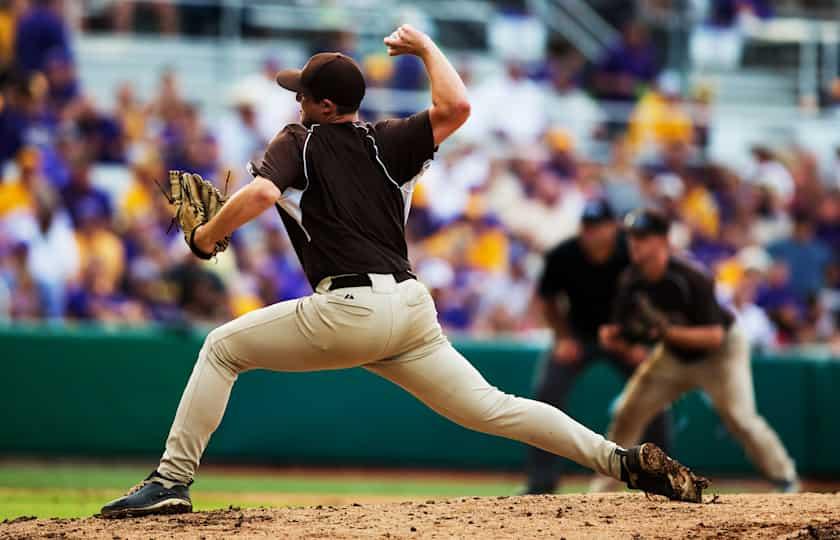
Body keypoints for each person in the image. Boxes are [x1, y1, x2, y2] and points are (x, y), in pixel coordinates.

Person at [100, 25, 705, 518]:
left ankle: (171, 480)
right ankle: (622, 462)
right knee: (495, 407)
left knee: (222, 349)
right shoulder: (389, 141)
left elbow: (259, 195)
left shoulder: (301, 139)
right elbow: (458, 105)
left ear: (324, 105)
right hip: (412, 312)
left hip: (349, 309)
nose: (295, 102)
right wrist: (425, 49)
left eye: (303, 95)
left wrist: (207, 237)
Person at [595, 208, 798, 492]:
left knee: (741, 419)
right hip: (674, 355)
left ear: (663, 241)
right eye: (631, 237)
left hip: (721, 353)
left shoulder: (691, 276)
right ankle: (605, 482)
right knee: (629, 411)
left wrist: (664, 333)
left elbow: (713, 336)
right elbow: (625, 331)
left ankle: (785, 477)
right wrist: (615, 338)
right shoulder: (631, 280)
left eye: (643, 236)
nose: (635, 243)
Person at [524, 199, 671, 495]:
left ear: (613, 228)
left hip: (625, 337)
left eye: (598, 227)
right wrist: (563, 337)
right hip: (579, 335)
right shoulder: (564, 254)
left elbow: (656, 300)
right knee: (546, 393)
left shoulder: (631, 255)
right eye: (587, 227)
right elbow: (548, 300)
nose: (592, 233)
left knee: (655, 393)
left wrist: (639, 342)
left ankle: (663, 479)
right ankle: (542, 482)